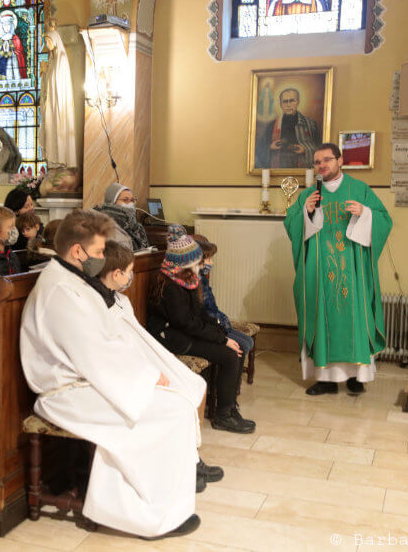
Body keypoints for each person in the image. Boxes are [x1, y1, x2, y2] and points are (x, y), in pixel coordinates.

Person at [20, 210, 207, 540]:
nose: (101, 259)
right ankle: (141, 514)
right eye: (97, 252)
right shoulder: (61, 291)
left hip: (90, 380)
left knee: (175, 402)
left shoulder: (73, 280)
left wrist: (147, 376)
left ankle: (165, 499)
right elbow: (94, 354)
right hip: (67, 393)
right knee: (166, 412)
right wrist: (146, 380)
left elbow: (104, 343)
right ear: (76, 251)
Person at [284, 143, 392, 395]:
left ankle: (357, 377)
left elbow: (384, 219)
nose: (322, 165)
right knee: (321, 315)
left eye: (327, 160)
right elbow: (291, 223)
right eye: (317, 162)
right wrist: (306, 212)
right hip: (320, 271)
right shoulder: (309, 194)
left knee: (355, 316)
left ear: (340, 160)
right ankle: (325, 380)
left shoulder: (359, 189)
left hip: (352, 270)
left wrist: (365, 213)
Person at [147, 225, 255, 434]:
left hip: (184, 332)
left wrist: (221, 333)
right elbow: (185, 322)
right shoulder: (170, 286)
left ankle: (229, 407)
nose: (201, 265)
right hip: (171, 337)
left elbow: (200, 314)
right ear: (184, 264)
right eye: (196, 261)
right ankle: (222, 415)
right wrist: (221, 340)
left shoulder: (187, 280)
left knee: (235, 348)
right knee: (230, 355)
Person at [196, 238, 255, 368]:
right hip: (211, 327)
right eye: (209, 260)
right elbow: (204, 313)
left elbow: (213, 308)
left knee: (249, 341)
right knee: (243, 346)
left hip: (218, 324)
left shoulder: (203, 281)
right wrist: (220, 326)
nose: (211, 263)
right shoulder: (195, 283)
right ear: (198, 261)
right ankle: (233, 381)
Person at [255, 88, 321, 169]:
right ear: (281, 104)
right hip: (278, 170)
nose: (288, 105)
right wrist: (270, 147)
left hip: (302, 170)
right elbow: (259, 150)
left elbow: (320, 149)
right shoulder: (271, 126)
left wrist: (305, 149)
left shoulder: (310, 124)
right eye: (285, 101)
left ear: (298, 102)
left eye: (292, 101)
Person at [94, 182, 150, 251]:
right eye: (125, 200)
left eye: (132, 200)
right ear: (112, 201)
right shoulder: (106, 225)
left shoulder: (137, 227)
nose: (130, 203)